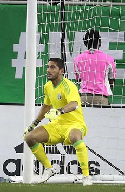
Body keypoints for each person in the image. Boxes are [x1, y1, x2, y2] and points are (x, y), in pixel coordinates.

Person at [23, 58, 92, 186]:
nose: (48, 70)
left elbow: (74, 104)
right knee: (30, 137)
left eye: (53, 67)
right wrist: (34, 124)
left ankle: (86, 177)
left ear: (61, 71)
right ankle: (49, 168)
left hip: (74, 124)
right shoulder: (47, 86)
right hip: (56, 126)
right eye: (48, 67)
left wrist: (60, 111)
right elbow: (46, 106)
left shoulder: (69, 85)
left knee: (75, 136)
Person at [73, 29, 116, 106]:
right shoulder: (109, 59)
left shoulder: (78, 59)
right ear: (99, 42)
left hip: (83, 98)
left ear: (85, 43)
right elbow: (112, 81)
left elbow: (79, 80)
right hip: (101, 98)